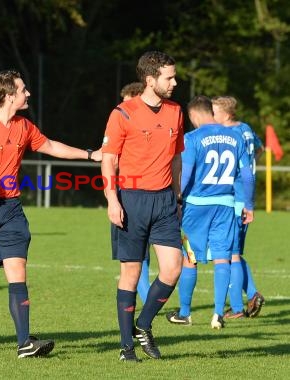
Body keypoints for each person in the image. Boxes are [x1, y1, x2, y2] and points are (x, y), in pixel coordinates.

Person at [0, 69, 101, 358]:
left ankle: (24, 343)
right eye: (23, 89)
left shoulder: (24, 126)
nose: (28, 93)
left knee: (18, 275)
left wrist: (90, 154)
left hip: (11, 210)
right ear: (9, 96)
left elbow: (50, 146)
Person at [101, 51, 184, 361]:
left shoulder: (176, 111)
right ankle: (126, 347)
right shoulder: (122, 113)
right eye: (169, 77)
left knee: (173, 268)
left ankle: (143, 324)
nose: (175, 82)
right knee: (131, 275)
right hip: (131, 199)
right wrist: (112, 200)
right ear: (151, 80)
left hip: (164, 200)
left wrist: (177, 197)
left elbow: (176, 157)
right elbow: (109, 160)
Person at [165, 95, 254, 329]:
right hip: (226, 205)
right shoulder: (236, 136)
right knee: (223, 257)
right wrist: (250, 205)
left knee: (190, 258)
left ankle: (185, 313)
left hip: (197, 206)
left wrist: (177, 199)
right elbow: (247, 174)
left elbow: (186, 172)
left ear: (194, 115)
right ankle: (217, 314)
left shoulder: (192, 138)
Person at [212, 96, 265, 318]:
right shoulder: (246, 129)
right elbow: (260, 149)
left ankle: (237, 307)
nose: (212, 116)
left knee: (231, 254)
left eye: (214, 112)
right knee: (234, 252)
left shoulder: (229, 135)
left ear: (225, 114)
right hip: (247, 194)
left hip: (235, 197)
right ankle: (252, 294)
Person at [120, 82, 151, 304]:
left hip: (159, 196)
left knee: (174, 259)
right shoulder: (121, 121)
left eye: (128, 101)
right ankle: (147, 298)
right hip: (130, 195)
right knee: (137, 256)